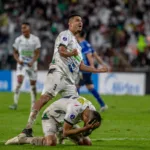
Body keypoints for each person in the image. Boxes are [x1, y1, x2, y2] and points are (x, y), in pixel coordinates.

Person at [20, 14, 108, 137]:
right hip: (58, 71)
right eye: (77, 20)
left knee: (76, 105)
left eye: (81, 21)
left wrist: (97, 70)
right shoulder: (65, 35)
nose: (80, 22)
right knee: (45, 98)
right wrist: (71, 53)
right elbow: (61, 51)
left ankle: (67, 130)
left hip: (69, 80)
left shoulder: (78, 46)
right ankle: (28, 128)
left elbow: (81, 66)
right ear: (70, 23)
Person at [5, 96, 101, 146]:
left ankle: (60, 135)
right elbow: (66, 132)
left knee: (86, 143)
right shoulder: (75, 109)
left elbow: (85, 132)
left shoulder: (92, 110)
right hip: (51, 117)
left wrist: (89, 129)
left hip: (65, 120)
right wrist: (85, 128)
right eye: (89, 123)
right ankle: (23, 139)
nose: (90, 125)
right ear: (86, 117)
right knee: (51, 143)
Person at [9, 22, 41, 110]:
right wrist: (18, 60)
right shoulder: (18, 39)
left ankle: (33, 104)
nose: (23, 30)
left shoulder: (35, 39)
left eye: (25, 28)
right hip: (21, 63)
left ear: (29, 29)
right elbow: (15, 52)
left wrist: (33, 61)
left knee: (33, 84)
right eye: (22, 28)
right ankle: (15, 103)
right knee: (19, 81)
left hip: (32, 64)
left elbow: (37, 53)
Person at [76, 30, 108, 112]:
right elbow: (96, 56)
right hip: (87, 70)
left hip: (84, 69)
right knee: (90, 87)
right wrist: (103, 64)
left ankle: (77, 107)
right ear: (85, 35)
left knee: (76, 87)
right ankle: (102, 104)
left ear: (79, 34)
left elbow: (89, 55)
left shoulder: (82, 44)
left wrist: (92, 67)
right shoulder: (88, 44)